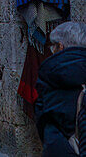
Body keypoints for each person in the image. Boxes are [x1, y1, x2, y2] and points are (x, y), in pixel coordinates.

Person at [34, 21, 86, 156]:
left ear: (61, 47)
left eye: (54, 47)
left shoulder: (49, 72)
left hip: (59, 147)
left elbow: (42, 116)